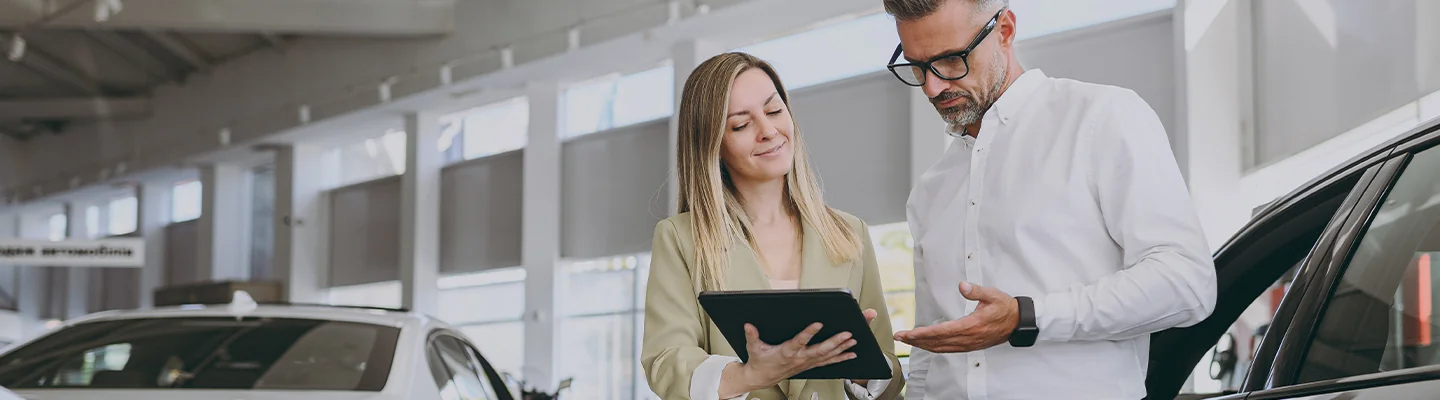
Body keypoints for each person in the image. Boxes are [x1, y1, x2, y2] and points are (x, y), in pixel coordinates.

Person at [883, 0, 1218, 399]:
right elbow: (929, 353)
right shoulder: (929, 191)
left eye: (951, 61)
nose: (932, 87)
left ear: (1004, 31)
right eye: (917, 67)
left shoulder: (1101, 118)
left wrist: (1027, 316)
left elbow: (1186, 283)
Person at [640, 52, 905, 400]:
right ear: (712, 145)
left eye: (774, 110)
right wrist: (747, 375)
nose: (768, 131)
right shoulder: (681, 238)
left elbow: (889, 377)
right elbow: (666, 361)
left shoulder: (848, 232)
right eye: (741, 125)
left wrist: (864, 371)